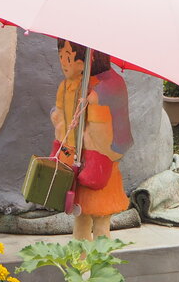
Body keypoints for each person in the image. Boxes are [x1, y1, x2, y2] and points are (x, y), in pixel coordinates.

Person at [51, 40, 132, 240]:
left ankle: (100, 257)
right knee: (81, 216)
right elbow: (61, 119)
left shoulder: (106, 84)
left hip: (100, 163)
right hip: (78, 160)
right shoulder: (70, 85)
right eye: (61, 56)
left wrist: (92, 100)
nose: (63, 63)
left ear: (87, 60)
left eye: (68, 57)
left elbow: (103, 130)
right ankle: (80, 256)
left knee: (101, 218)